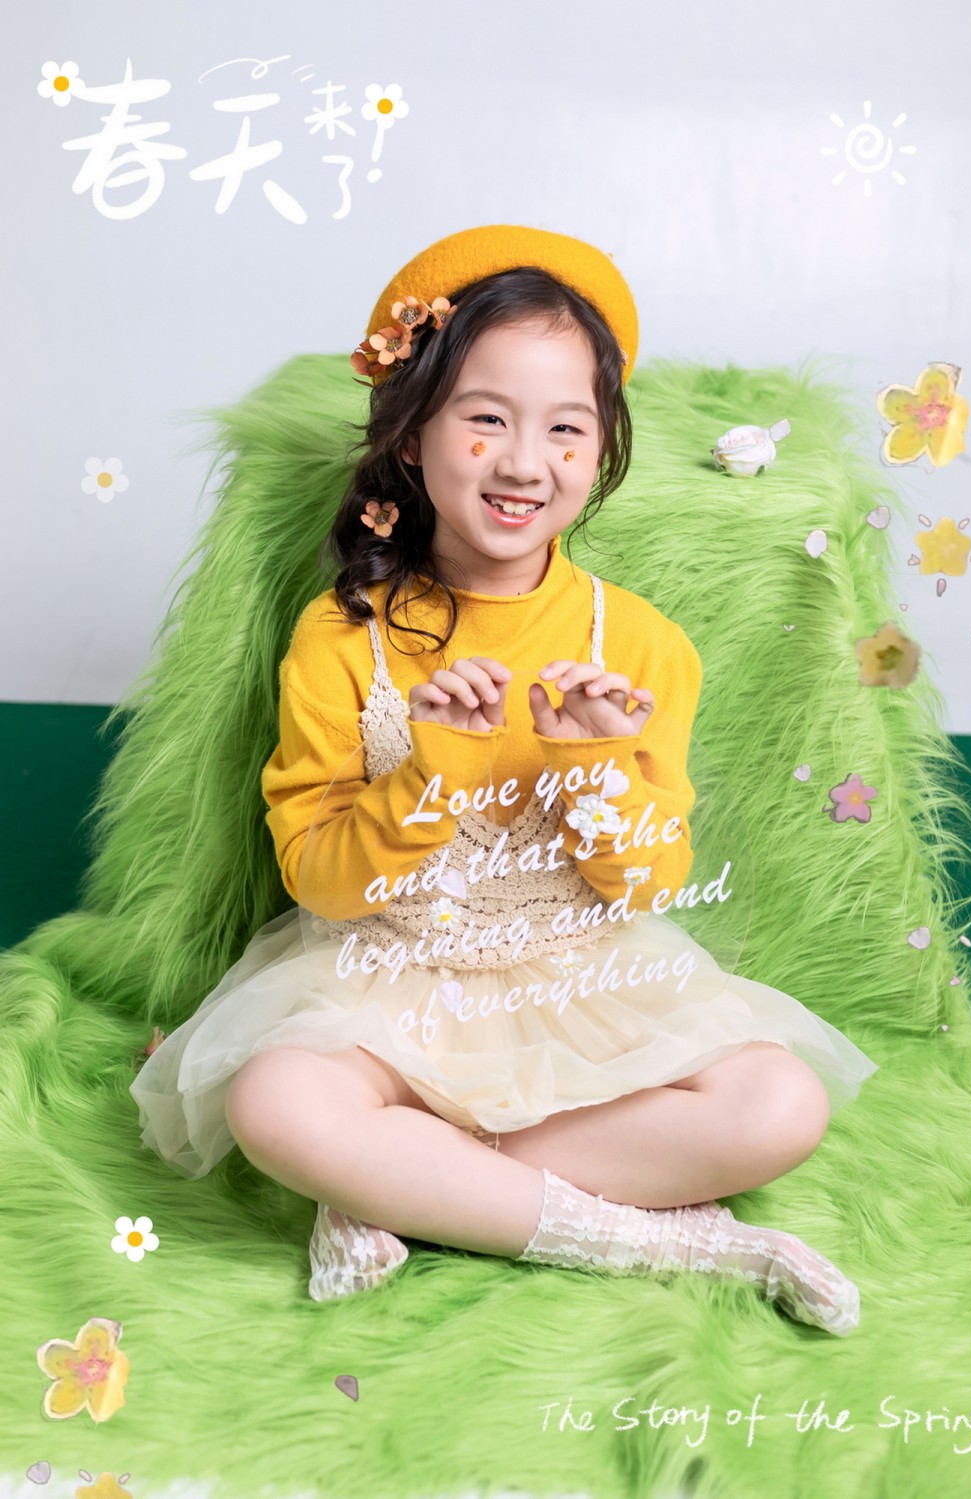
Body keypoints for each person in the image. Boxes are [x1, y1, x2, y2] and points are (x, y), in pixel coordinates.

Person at [129, 224, 879, 1335]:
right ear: (412, 433)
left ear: (601, 447)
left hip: (577, 978)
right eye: (485, 418)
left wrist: (591, 765)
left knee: (779, 1102)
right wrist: (425, 769)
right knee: (277, 1100)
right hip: (388, 978)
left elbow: (648, 882)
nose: (525, 463)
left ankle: (408, 1180)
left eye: (565, 428)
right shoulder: (345, 635)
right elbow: (320, 881)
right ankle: (669, 1239)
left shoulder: (640, 644)